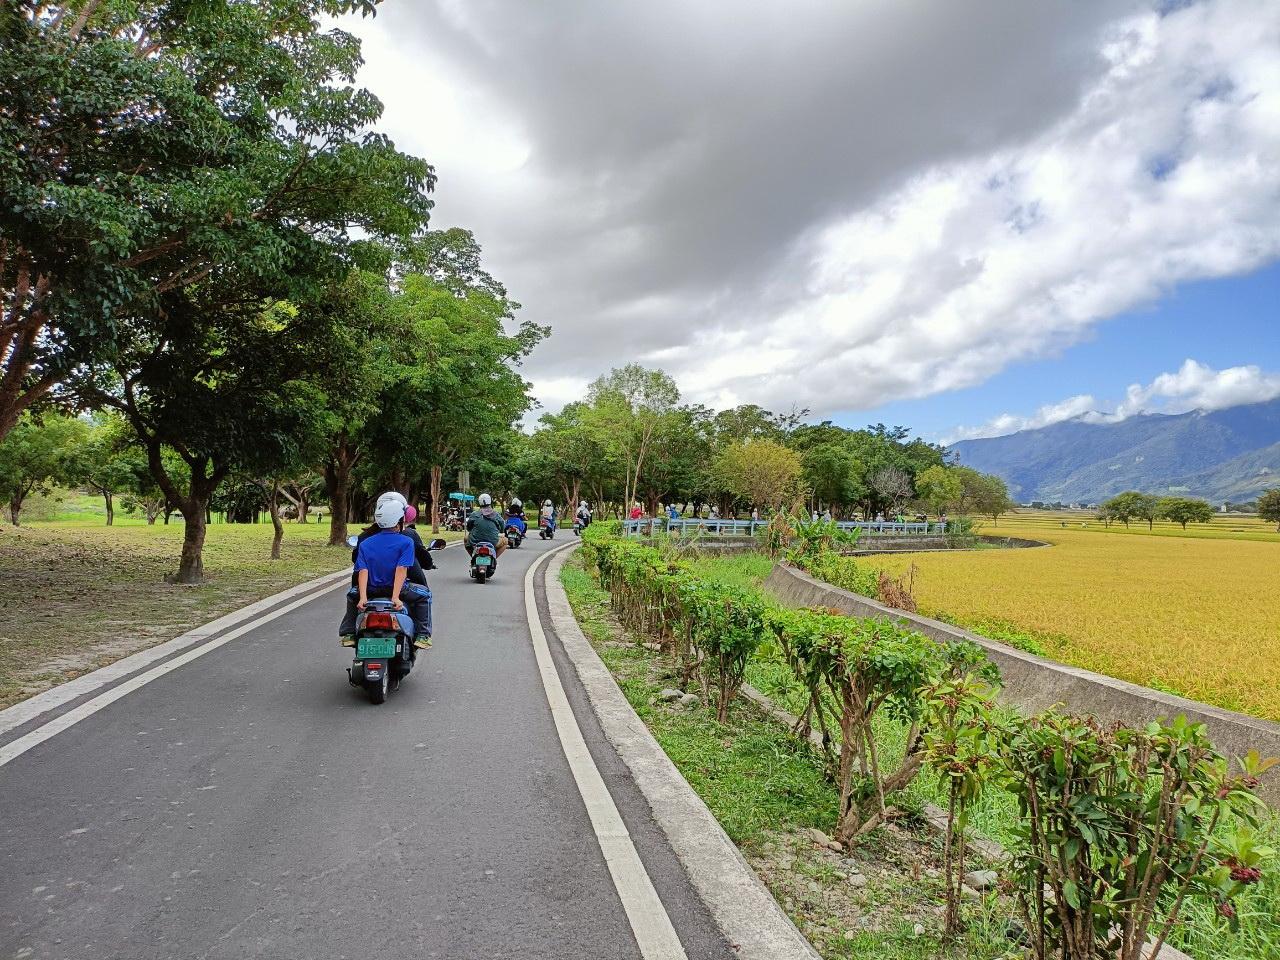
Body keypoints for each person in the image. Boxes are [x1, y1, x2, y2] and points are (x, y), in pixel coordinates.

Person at [338, 497, 432, 649]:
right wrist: (395, 597)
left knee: (351, 595)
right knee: (425, 595)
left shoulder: (366, 543)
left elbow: (363, 570)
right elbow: (401, 570)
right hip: (397, 589)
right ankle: (423, 635)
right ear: (398, 521)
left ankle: (349, 633)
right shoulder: (406, 542)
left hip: (370, 589)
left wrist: (363, 597)